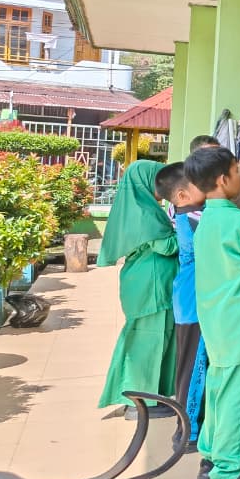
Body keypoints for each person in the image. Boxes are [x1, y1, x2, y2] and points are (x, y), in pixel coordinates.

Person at [184, 145, 240, 479]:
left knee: (220, 388)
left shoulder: (206, 220)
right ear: (222, 180)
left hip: (217, 320)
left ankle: (211, 454)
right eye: (237, 172)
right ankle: (230, 468)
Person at [97, 159, 179, 415]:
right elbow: (166, 246)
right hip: (151, 288)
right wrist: (195, 231)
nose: (164, 186)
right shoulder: (144, 212)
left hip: (147, 284)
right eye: (159, 181)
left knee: (147, 340)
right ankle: (140, 403)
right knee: (147, 343)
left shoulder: (138, 206)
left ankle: (146, 398)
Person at [155, 162, 207, 454]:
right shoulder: (195, 217)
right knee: (194, 369)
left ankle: (188, 427)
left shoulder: (178, 212)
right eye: (201, 182)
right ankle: (188, 433)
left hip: (188, 300)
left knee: (190, 367)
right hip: (193, 304)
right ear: (182, 195)